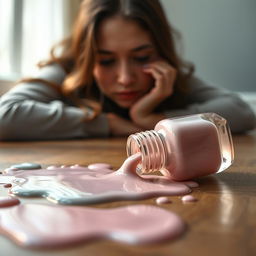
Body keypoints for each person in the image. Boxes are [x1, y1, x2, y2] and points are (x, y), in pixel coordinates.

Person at [0, 0, 255, 141]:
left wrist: (156, 119)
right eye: (106, 61)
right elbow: (5, 115)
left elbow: (242, 112)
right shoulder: (67, 70)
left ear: (160, 51)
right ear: (86, 58)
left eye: (142, 57)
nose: (125, 78)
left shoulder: (167, 76)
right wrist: (108, 124)